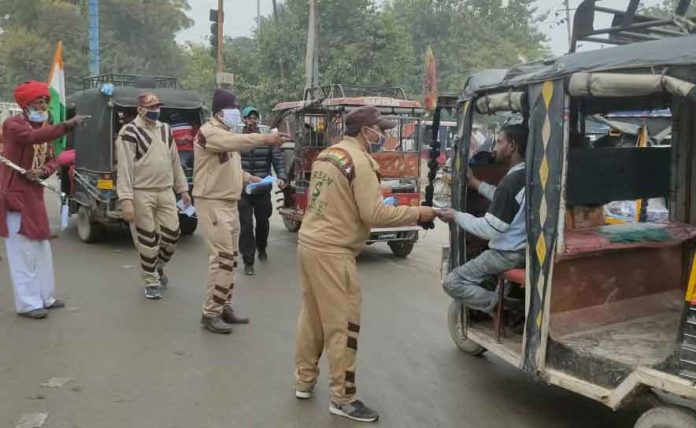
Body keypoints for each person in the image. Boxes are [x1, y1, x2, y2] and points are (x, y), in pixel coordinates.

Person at [294, 106, 437, 423]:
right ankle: (343, 398)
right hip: (334, 251)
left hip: (310, 243)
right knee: (343, 325)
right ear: (365, 131)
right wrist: (418, 213)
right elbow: (375, 215)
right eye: (380, 130)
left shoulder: (328, 154)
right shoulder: (359, 161)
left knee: (313, 318)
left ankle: (304, 381)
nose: (383, 136)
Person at [194, 90, 287, 334]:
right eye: (234, 109)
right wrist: (264, 139)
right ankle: (210, 313)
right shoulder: (209, 132)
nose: (237, 113)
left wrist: (248, 177)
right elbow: (237, 143)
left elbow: (227, 166)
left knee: (231, 258)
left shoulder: (225, 134)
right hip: (212, 202)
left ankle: (224, 305)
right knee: (222, 259)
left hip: (228, 202)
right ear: (220, 111)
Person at [0, 81, 87, 319]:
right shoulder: (13, 125)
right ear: (26, 105)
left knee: (41, 249)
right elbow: (32, 137)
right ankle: (28, 304)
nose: (44, 105)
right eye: (39, 101)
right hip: (15, 197)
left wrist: (42, 172)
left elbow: (52, 160)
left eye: (46, 101)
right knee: (22, 254)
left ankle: (45, 297)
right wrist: (67, 125)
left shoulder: (44, 127)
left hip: (34, 196)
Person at [437, 124, 528, 314]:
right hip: (524, 251)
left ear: (512, 146)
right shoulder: (527, 174)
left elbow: (489, 229)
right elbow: (504, 198)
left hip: (506, 255)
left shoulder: (510, 182)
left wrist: (456, 216)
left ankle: (503, 307)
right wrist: (476, 183)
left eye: (500, 142)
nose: (494, 148)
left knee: (453, 282)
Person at [115, 92, 191, 300]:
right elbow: (125, 169)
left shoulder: (165, 130)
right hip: (142, 192)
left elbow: (175, 162)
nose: (156, 111)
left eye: (158, 107)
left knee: (172, 234)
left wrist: (183, 189)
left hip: (166, 190)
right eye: (151, 107)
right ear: (140, 109)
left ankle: (157, 266)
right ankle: (151, 280)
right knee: (147, 239)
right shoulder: (129, 132)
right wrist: (126, 200)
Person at [238, 106, 287, 276]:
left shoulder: (266, 139)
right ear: (244, 120)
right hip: (243, 190)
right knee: (245, 225)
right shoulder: (238, 139)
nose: (252, 121)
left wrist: (282, 177)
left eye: (255, 118)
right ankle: (248, 260)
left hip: (262, 189)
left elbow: (278, 159)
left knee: (262, 223)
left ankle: (262, 247)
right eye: (249, 118)